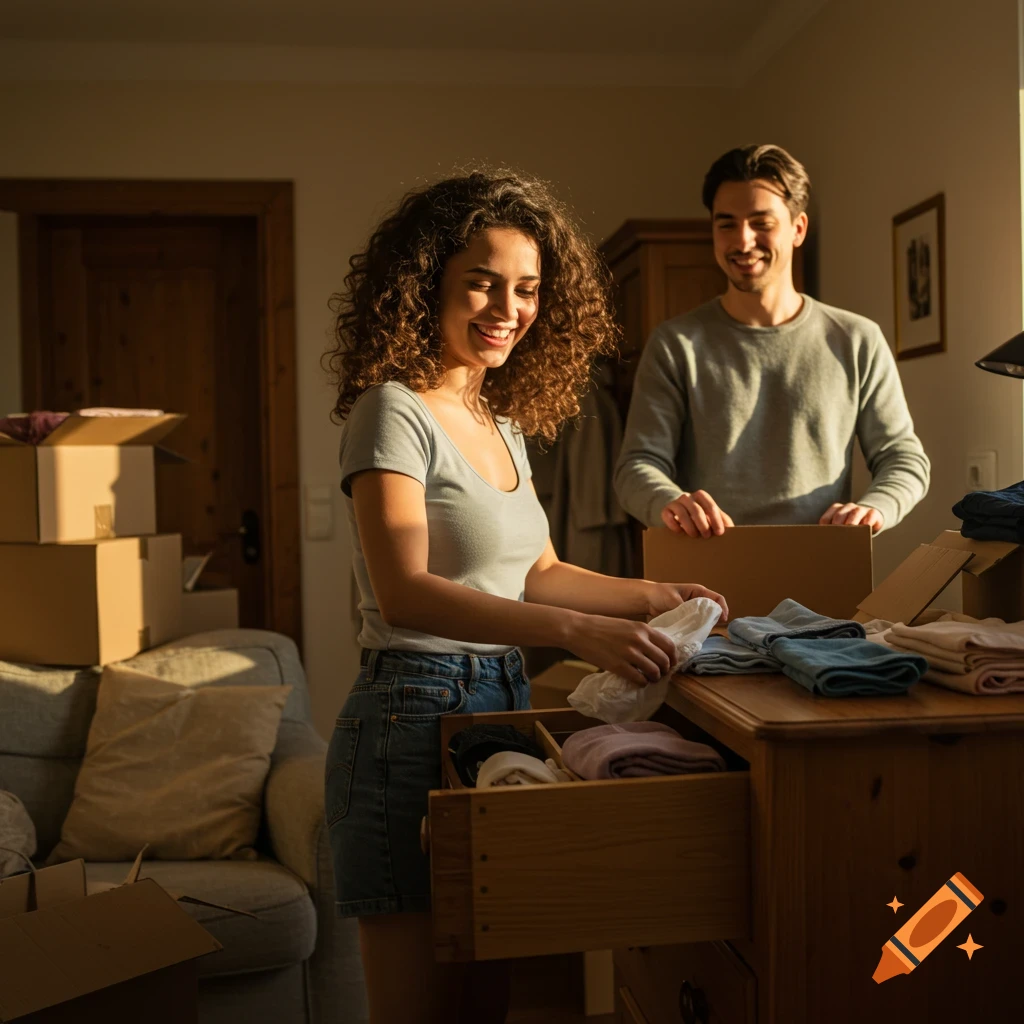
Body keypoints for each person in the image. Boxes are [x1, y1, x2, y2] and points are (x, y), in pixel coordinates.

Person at [323, 170, 729, 1024]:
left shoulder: (501, 420)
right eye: (482, 281)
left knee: (486, 1000)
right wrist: (579, 630)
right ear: (425, 279)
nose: (508, 307)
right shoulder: (391, 410)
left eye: (529, 289)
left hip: (497, 707)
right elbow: (408, 594)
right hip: (406, 717)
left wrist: (650, 594)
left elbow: (538, 571)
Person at [614, 144, 930, 539]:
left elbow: (904, 458)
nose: (742, 241)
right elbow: (636, 466)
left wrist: (873, 508)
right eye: (726, 224)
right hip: (706, 574)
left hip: (824, 570)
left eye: (761, 222)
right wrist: (668, 502)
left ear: (798, 229)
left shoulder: (857, 339)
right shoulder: (675, 344)